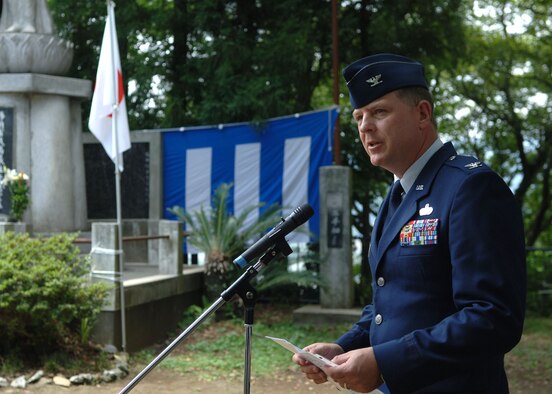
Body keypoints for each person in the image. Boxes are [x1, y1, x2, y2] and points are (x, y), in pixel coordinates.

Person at [292, 53, 526, 393]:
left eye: (380, 112)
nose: (365, 127)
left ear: (422, 113)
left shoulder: (470, 187)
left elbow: (494, 317)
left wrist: (385, 363)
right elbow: (391, 300)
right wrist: (345, 347)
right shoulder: (398, 194)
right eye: (359, 117)